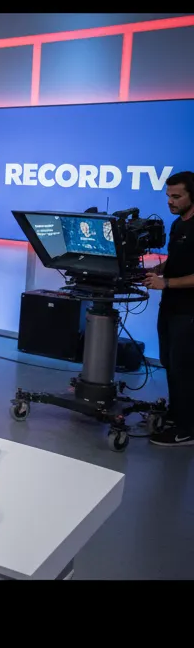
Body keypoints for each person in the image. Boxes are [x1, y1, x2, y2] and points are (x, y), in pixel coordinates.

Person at [142, 170, 194, 448]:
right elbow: (175, 260)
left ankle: (187, 430)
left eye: (177, 196)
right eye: (168, 196)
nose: (171, 201)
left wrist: (168, 282)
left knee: (185, 369)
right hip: (171, 307)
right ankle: (177, 415)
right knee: (171, 364)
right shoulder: (177, 225)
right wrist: (156, 270)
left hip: (189, 311)